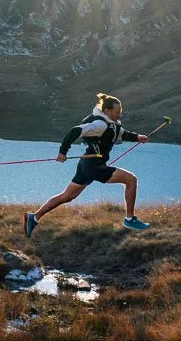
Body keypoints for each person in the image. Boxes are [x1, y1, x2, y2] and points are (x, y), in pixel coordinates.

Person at [24, 92, 149, 237]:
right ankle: (130, 219)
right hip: (94, 167)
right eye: (117, 112)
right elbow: (75, 131)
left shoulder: (110, 123)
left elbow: (121, 133)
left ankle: (34, 217)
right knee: (131, 180)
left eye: (120, 111)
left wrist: (138, 137)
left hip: (86, 163)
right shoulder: (100, 124)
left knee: (67, 196)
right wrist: (63, 152)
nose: (119, 115)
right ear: (107, 111)